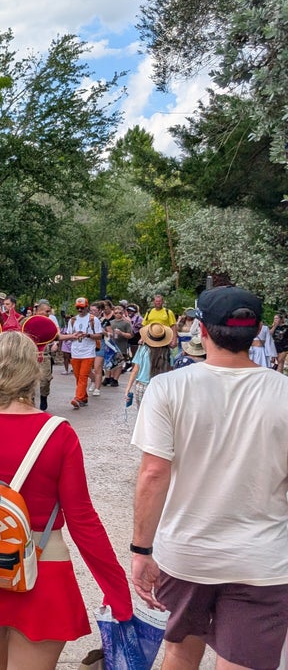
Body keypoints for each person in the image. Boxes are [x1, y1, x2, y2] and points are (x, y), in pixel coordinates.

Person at [0, 332, 132, 669]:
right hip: (44, 567)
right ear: (33, 371)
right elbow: (83, 521)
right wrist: (116, 590)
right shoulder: (59, 433)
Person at [130, 286, 288, 670]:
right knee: (243, 662)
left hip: (186, 553)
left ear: (200, 330)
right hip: (262, 560)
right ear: (258, 331)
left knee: (180, 653)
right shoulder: (283, 392)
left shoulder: (168, 387)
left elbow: (153, 474)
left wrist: (141, 551)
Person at [123, 322, 173, 410]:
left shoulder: (143, 350)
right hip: (161, 386)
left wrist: (128, 388)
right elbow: (171, 372)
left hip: (142, 386)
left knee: (142, 412)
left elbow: (135, 370)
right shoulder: (168, 352)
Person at [66, 297, 103, 409]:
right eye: (77, 308)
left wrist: (88, 335)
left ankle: (77, 398)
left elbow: (99, 335)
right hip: (75, 352)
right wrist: (74, 336)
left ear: (87, 307)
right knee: (77, 376)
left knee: (83, 376)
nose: (79, 310)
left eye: (82, 308)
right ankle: (83, 397)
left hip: (88, 352)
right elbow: (68, 335)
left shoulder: (93, 319)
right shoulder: (73, 320)